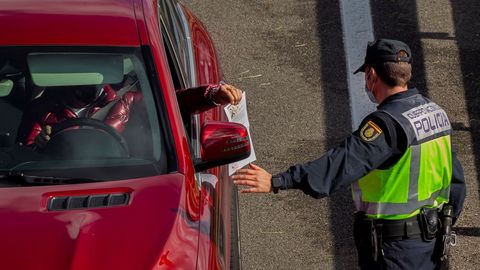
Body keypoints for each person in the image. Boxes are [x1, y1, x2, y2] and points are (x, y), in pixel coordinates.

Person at [232, 39, 466, 270]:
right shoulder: (436, 114)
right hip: (432, 245)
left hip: (396, 251)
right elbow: (456, 184)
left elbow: (340, 164)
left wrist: (278, 181)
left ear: (372, 75)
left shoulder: (387, 125)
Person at [18, 81, 242, 148]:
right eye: (79, 82)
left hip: (118, 174)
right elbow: (23, 157)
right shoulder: (41, 111)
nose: (87, 87)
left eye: (94, 81)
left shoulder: (123, 100)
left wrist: (210, 95)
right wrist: (39, 145)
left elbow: (173, 103)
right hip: (58, 180)